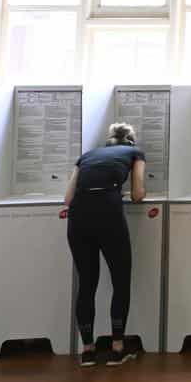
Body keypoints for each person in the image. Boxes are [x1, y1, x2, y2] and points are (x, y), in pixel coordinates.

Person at [65, 122, 146, 367]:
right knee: (120, 280)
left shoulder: (87, 156)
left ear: (109, 140)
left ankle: (88, 350)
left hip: (78, 217)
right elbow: (138, 194)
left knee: (87, 283)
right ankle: (117, 348)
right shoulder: (135, 153)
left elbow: (68, 198)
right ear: (130, 140)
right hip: (109, 214)